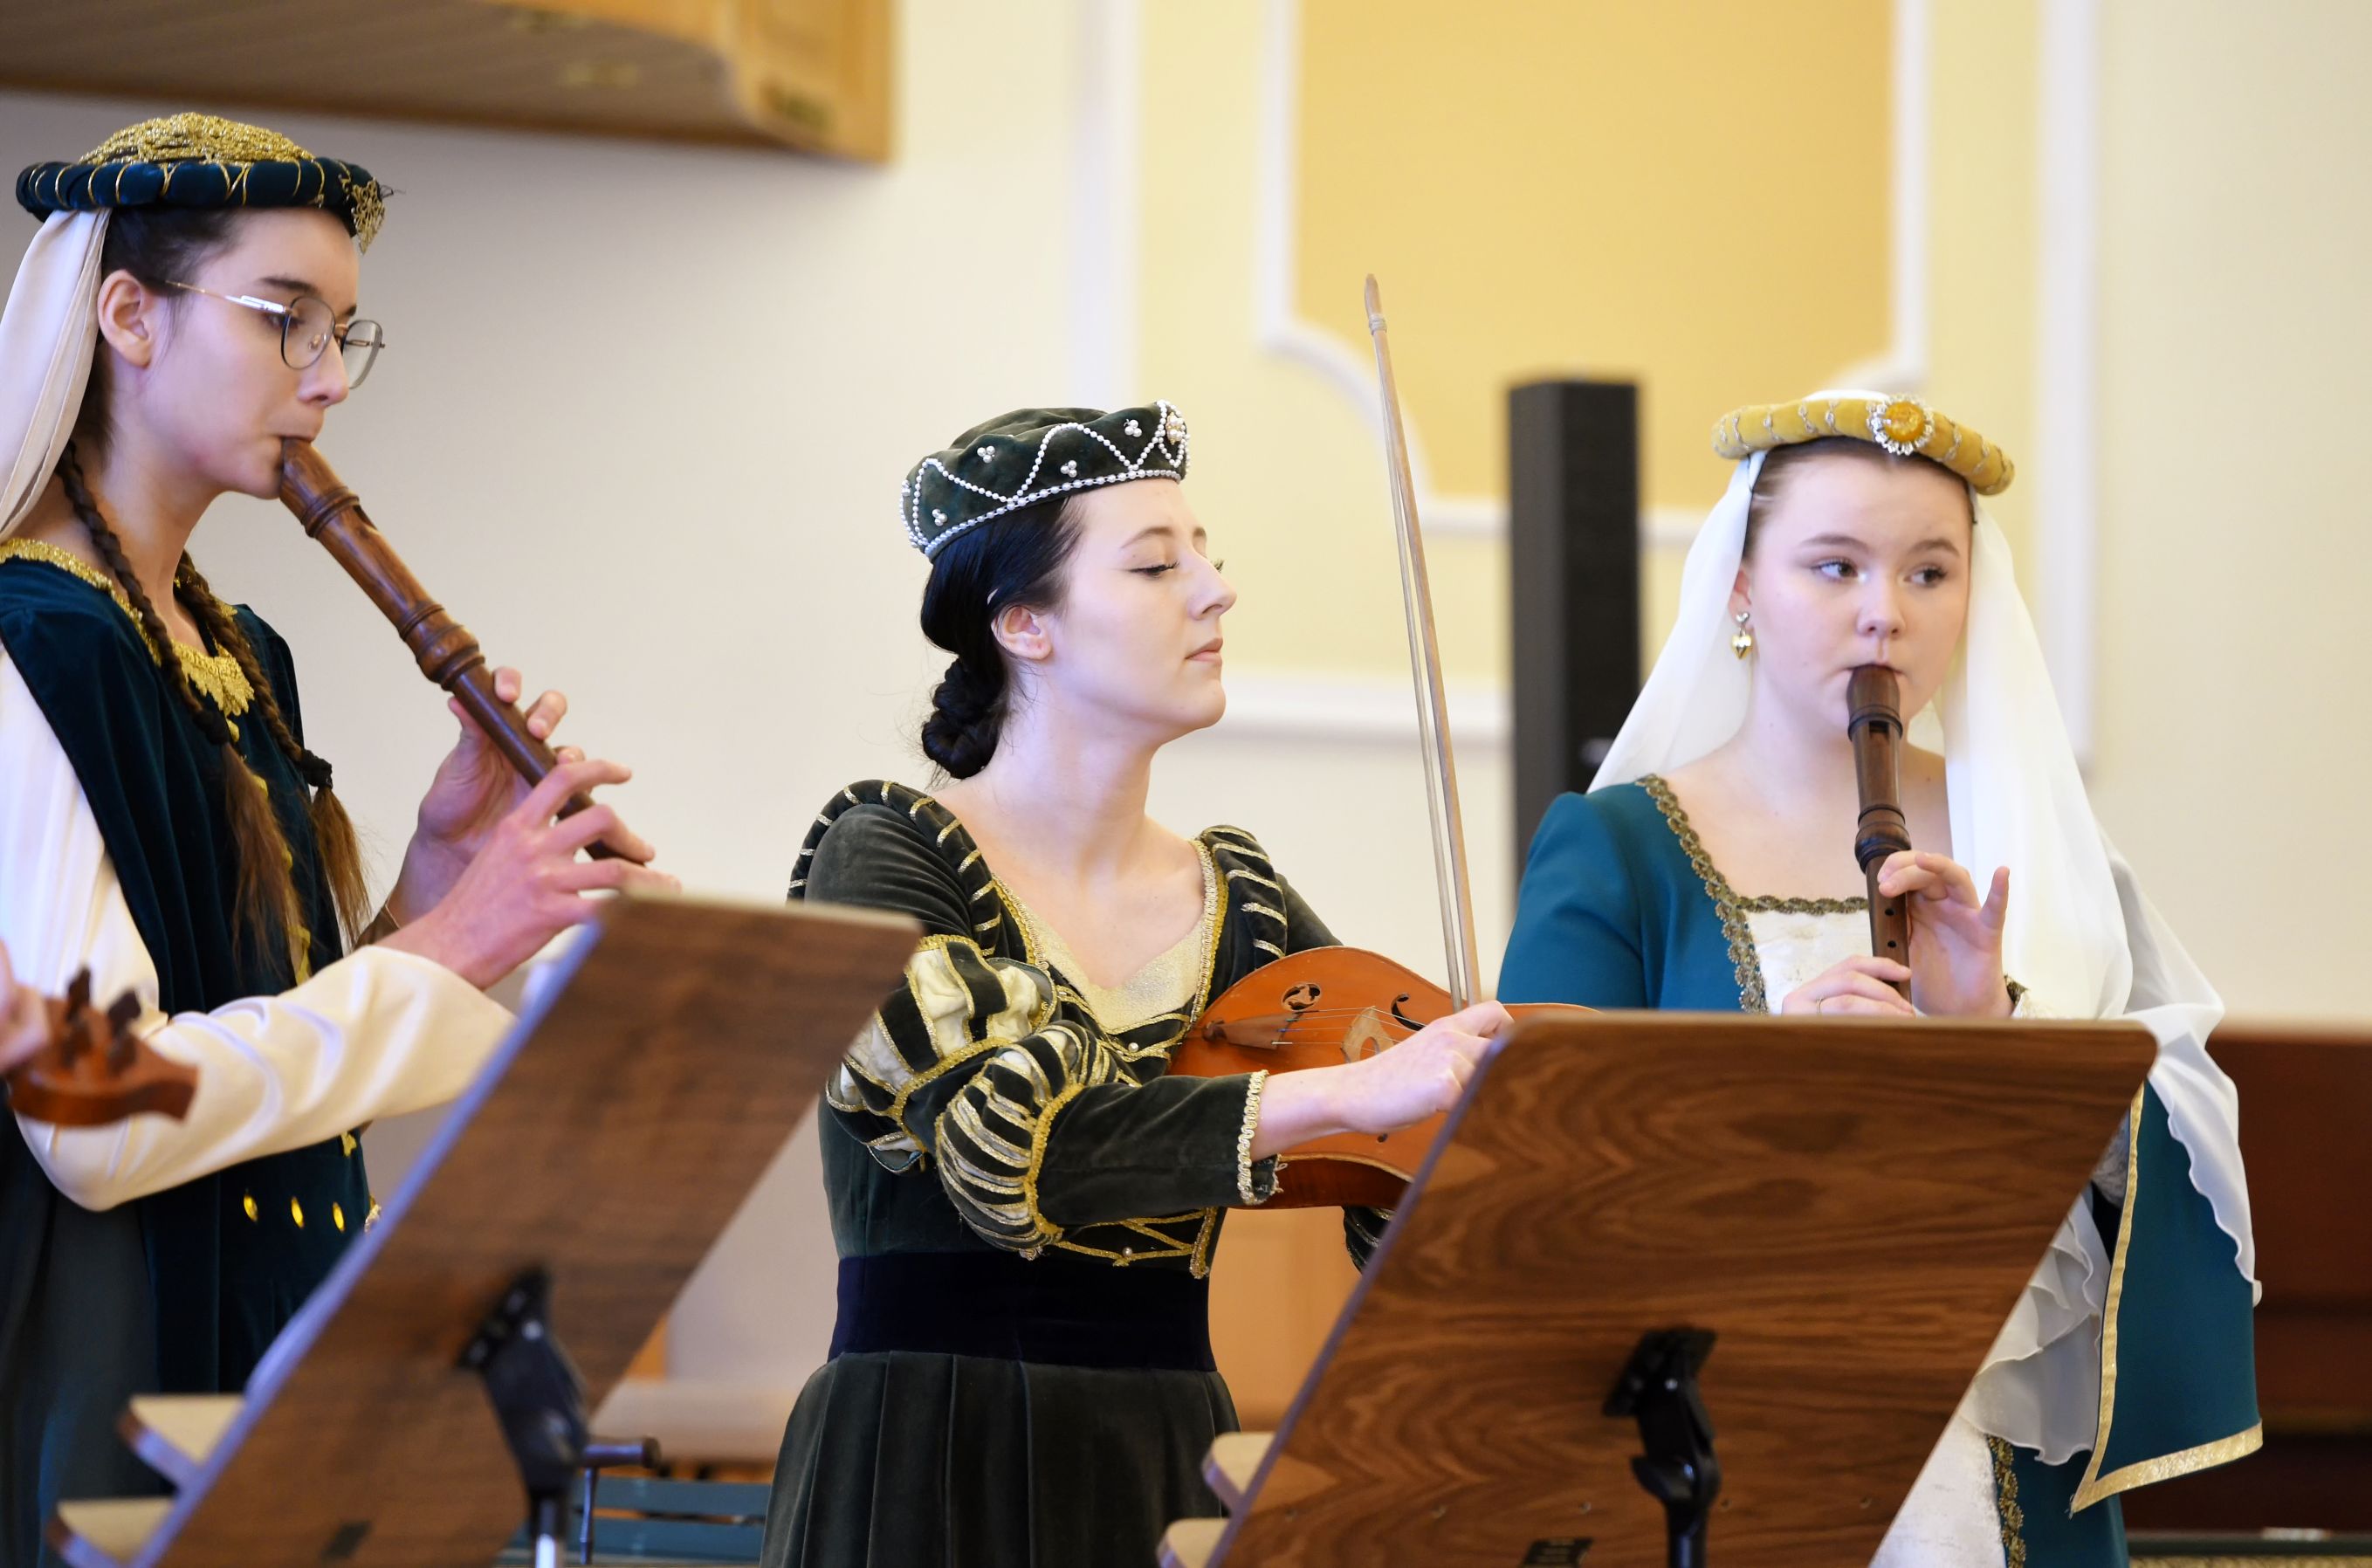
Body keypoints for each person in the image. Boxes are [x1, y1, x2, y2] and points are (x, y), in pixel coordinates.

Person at [0, 113, 675, 1566]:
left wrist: (438, 885)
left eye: (341, 334)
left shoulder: (241, 653)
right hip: (100, 1378)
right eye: (283, 320)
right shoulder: (31, 640)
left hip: (268, 1353)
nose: (327, 380)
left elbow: (271, 1047)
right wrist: (448, 949)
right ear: (128, 316)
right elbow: (96, 1111)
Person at [1499, 391, 2258, 1564]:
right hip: (1716, 1467)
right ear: (1740, 589)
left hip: (2009, 1466)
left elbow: (2177, 1152)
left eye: (1927, 574)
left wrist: (1997, 1042)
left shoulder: (2038, 842)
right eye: (1834, 566)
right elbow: (1530, 1187)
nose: (1883, 616)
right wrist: (1764, 1085)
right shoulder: (1617, 848)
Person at [761, 403, 1509, 1567]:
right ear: (1023, 624)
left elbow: (1425, 1172)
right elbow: (1021, 1153)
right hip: (922, 1451)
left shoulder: (1241, 899)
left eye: (1206, 556)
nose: (1215, 591)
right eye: (1157, 566)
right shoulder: (883, 851)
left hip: (1165, 1450)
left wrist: (1502, 1108)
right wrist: (1343, 1097)